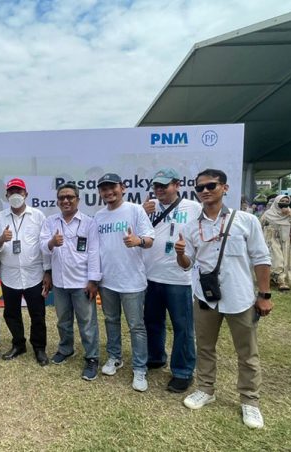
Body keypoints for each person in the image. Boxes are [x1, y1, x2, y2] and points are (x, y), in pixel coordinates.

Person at [174, 168, 272, 429]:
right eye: (200, 188)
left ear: (225, 188)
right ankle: (206, 389)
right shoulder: (191, 226)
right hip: (205, 297)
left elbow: (261, 258)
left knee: (247, 352)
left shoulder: (246, 220)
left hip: (240, 297)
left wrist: (264, 295)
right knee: (205, 347)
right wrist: (180, 253)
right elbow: (187, 264)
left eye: (211, 186)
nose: (205, 191)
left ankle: (250, 400)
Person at [142, 168, 202, 393]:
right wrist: (142, 213)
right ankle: (156, 356)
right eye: (156, 186)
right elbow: (136, 235)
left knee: (182, 326)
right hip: (151, 275)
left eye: (164, 185)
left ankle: (183, 371)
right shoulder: (148, 207)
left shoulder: (193, 207)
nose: (159, 190)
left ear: (177, 185)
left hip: (180, 277)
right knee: (152, 321)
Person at [94, 173, 155, 391]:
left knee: (136, 326)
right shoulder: (99, 216)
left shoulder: (135, 210)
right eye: (104, 189)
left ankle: (139, 368)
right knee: (111, 320)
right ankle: (115, 357)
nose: (109, 192)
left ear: (123, 188)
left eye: (113, 187)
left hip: (132, 281)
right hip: (107, 280)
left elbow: (150, 239)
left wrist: (138, 240)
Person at [40, 183, 101, 380]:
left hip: (82, 282)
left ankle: (92, 357)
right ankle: (66, 349)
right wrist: (51, 243)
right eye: (61, 198)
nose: (65, 200)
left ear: (77, 200)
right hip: (59, 282)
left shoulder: (89, 223)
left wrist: (93, 280)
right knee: (63, 320)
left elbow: (94, 252)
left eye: (70, 197)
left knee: (87, 322)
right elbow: (43, 247)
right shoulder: (51, 221)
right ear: (57, 201)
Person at [0, 178, 52, 365]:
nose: (15, 195)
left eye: (19, 191)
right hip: (10, 275)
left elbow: (44, 246)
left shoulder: (38, 216)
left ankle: (39, 348)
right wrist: (1, 239)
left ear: (26, 194)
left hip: (34, 274)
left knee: (37, 314)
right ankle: (18, 344)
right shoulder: (0, 217)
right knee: (11, 313)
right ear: (6, 195)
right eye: (12, 192)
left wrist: (47, 271)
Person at [260, 194, 291, 291]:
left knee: (285, 259)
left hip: (285, 240)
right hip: (271, 239)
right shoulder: (268, 213)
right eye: (282, 201)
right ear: (277, 202)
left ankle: (274, 278)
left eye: (286, 202)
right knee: (277, 259)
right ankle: (281, 281)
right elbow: (260, 224)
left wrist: (289, 214)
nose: (284, 203)